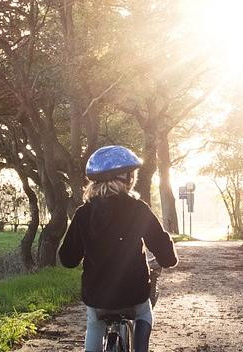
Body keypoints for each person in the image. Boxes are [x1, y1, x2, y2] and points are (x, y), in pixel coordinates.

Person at [59, 145, 178, 352]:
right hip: (134, 294)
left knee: (94, 322)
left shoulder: (83, 214)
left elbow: (68, 260)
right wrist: (167, 255)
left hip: (97, 297)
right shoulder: (139, 209)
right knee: (144, 313)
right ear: (127, 178)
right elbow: (168, 258)